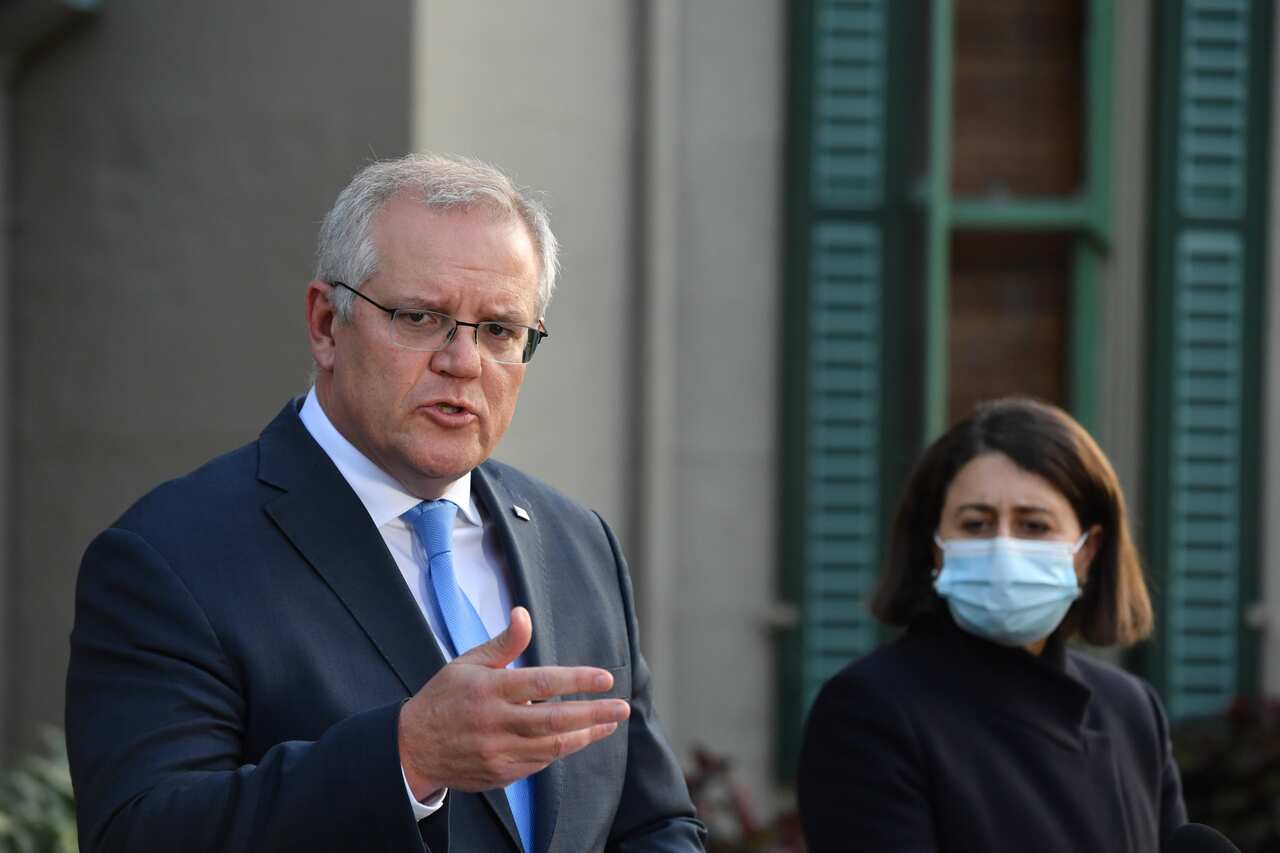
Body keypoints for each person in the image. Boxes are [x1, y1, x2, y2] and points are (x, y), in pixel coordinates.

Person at [66, 153, 706, 853]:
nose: (463, 362)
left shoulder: (577, 543)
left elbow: (652, 823)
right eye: (420, 316)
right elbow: (143, 833)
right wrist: (408, 757)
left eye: (499, 330)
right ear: (324, 323)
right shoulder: (169, 555)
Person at [797, 397, 1186, 853]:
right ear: (936, 546)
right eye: (976, 524)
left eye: (1034, 526)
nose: (1003, 547)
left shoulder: (1132, 712)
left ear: (1088, 550)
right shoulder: (870, 708)